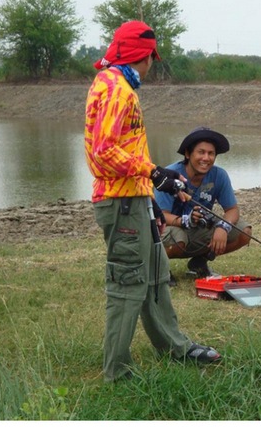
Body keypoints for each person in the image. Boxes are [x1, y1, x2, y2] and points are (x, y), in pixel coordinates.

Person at [84, 20, 221, 382]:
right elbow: (103, 152)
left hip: (135, 199)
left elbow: (120, 152)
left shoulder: (115, 84)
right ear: (141, 56)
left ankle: (175, 346)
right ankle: (118, 371)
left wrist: (155, 194)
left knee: (157, 276)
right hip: (120, 201)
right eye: (150, 59)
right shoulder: (117, 90)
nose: (151, 66)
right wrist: (154, 171)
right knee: (128, 284)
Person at [154, 127, 252, 284]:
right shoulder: (170, 175)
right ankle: (159, 268)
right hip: (170, 228)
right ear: (187, 154)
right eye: (201, 152)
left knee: (244, 232)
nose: (206, 158)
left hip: (197, 230)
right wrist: (185, 220)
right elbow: (161, 214)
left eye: (211, 153)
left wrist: (223, 227)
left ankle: (198, 263)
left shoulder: (219, 175)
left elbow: (232, 210)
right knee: (178, 238)